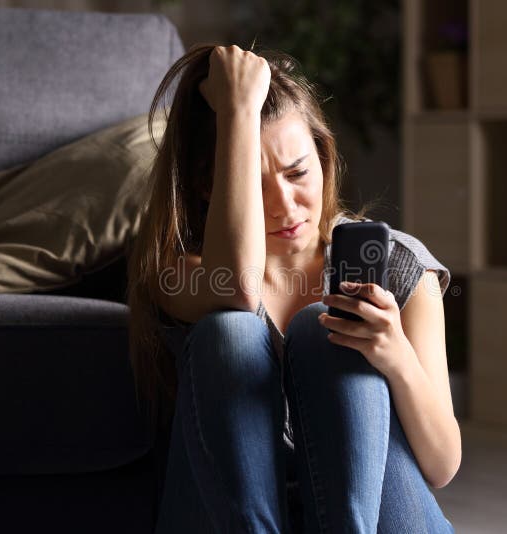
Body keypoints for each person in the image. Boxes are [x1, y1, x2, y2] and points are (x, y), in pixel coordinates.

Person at [126, 44, 460, 533]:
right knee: (231, 333)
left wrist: (394, 355)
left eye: (298, 172)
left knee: (322, 331)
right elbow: (238, 285)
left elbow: (442, 466)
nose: (284, 204)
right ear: (209, 187)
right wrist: (237, 109)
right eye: (256, 183)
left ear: (323, 156)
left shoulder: (398, 265)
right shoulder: (179, 271)